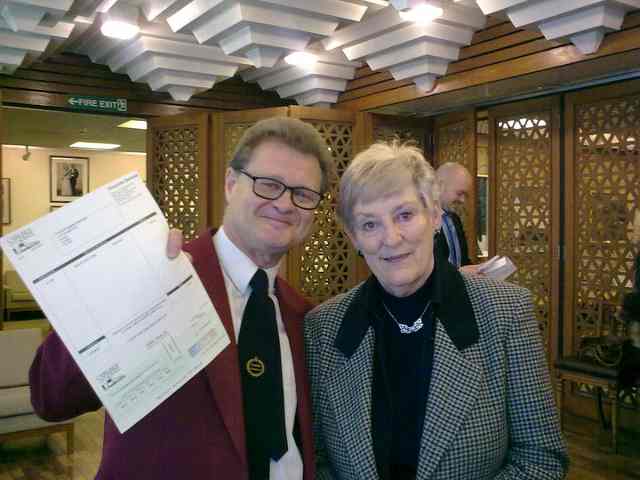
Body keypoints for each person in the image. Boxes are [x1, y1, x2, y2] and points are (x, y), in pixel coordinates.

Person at [30, 117, 334, 480]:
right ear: (230, 183)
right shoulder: (161, 277)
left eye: (303, 194)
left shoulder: (306, 317)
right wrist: (122, 294)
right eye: (269, 185)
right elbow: (51, 397)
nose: (285, 204)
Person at [304, 141, 568, 479]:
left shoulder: (505, 312)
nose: (392, 237)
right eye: (370, 224)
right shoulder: (323, 327)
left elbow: (541, 457)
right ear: (353, 237)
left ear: (435, 216)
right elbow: (318, 459)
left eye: (405, 215)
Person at [434, 162, 477, 274]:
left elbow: (462, 261)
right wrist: (458, 273)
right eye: (459, 193)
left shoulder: (454, 219)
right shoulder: (421, 221)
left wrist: (479, 269)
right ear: (439, 186)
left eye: (466, 195)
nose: (463, 200)